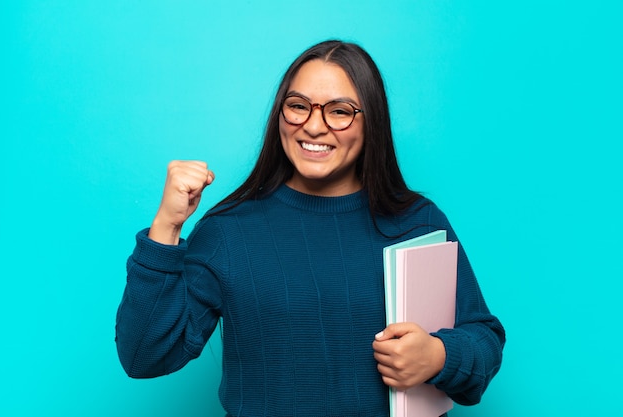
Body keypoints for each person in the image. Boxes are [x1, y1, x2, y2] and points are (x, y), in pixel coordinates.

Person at [115, 39, 505, 417]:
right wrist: (167, 226)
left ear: (372, 122)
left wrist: (439, 355)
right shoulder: (228, 231)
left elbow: (484, 338)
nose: (313, 127)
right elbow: (144, 356)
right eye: (298, 106)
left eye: (339, 111)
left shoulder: (419, 221)